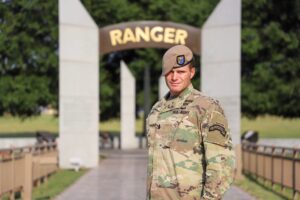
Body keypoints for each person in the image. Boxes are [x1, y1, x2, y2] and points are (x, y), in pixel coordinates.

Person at [146, 45, 235, 200]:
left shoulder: (206, 107)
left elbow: (221, 164)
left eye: (180, 72)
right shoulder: (156, 110)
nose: (174, 77)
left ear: (191, 73)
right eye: (169, 72)